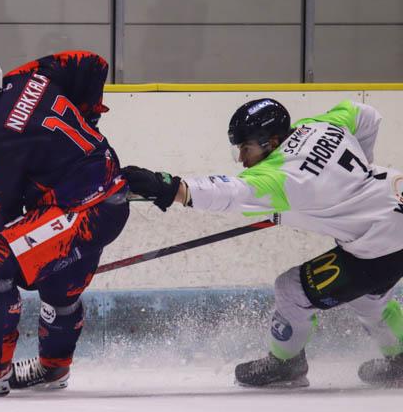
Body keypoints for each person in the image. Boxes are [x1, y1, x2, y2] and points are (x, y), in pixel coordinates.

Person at [123, 98, 403, 388]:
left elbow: (229, 193)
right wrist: (357, 180)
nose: (242, 159)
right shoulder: (317, 126)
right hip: (394, 209)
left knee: (292, 290)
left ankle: (287, 364)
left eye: (246, 148)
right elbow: (366, 114)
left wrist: (172, 188)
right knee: (367, 296)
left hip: (381, 243)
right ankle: (401, 360)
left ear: (272, 142)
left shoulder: (283, 177)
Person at [0, 50, 130, 397]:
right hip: (111, 193)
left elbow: (4, 214)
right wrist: (88, 119)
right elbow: (92, 63)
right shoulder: (29, 77)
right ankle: (53, 368)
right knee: (59, 285)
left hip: (81, 210)